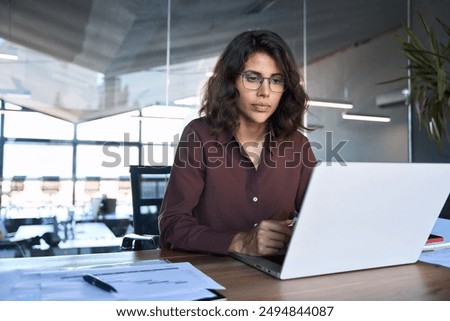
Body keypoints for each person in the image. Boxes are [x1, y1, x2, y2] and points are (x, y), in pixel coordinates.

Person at [158, 30, 316, 256]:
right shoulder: (199, 135)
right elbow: (172, 226)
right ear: (231, 80)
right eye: (253, 78)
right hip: (214, 273)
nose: (265, 92)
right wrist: (239, 242)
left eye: (276, 80)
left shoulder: (298, 144)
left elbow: (320, 217)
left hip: (277, 275)